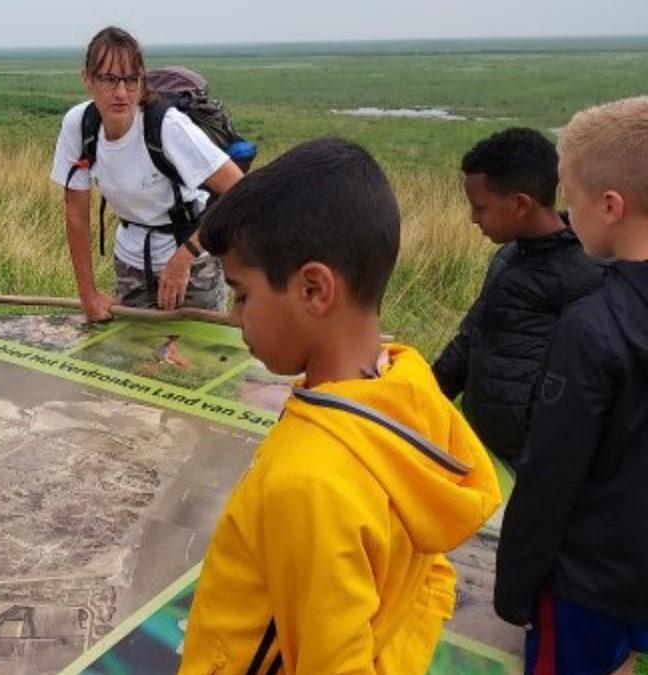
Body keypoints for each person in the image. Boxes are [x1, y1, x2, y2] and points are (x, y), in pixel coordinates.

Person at [179, 138, 501, 674]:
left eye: (242, 295)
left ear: (313, 289)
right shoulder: (406, 385)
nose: (235, 317)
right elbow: (426, 576)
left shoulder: (309, 484)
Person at [495, 96, 648, 675]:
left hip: (587, 584)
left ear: (610, 206)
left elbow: (550, 474)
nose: (565, 213)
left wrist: (515, 589)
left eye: (571, 196)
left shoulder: (590, 327)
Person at [433, 128, 603, 465]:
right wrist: (426, 395)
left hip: (541, 462)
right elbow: (471, 337)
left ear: (520, 204)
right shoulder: (508, 256)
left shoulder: (586, 275)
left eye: (480, 208)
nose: (473, 219)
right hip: (484, 451)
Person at [51, 26, 243, 321]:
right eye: (109, 79)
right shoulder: (79, 125)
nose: (121, 93)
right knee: (135, 347)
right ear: (87, 79)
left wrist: (184, 258)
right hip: (131, 264)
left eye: (131, 80)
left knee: (197, 348)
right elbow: (76, 212)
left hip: (192, 265)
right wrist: (88, 295)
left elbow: (239, 190)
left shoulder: (168, 127)